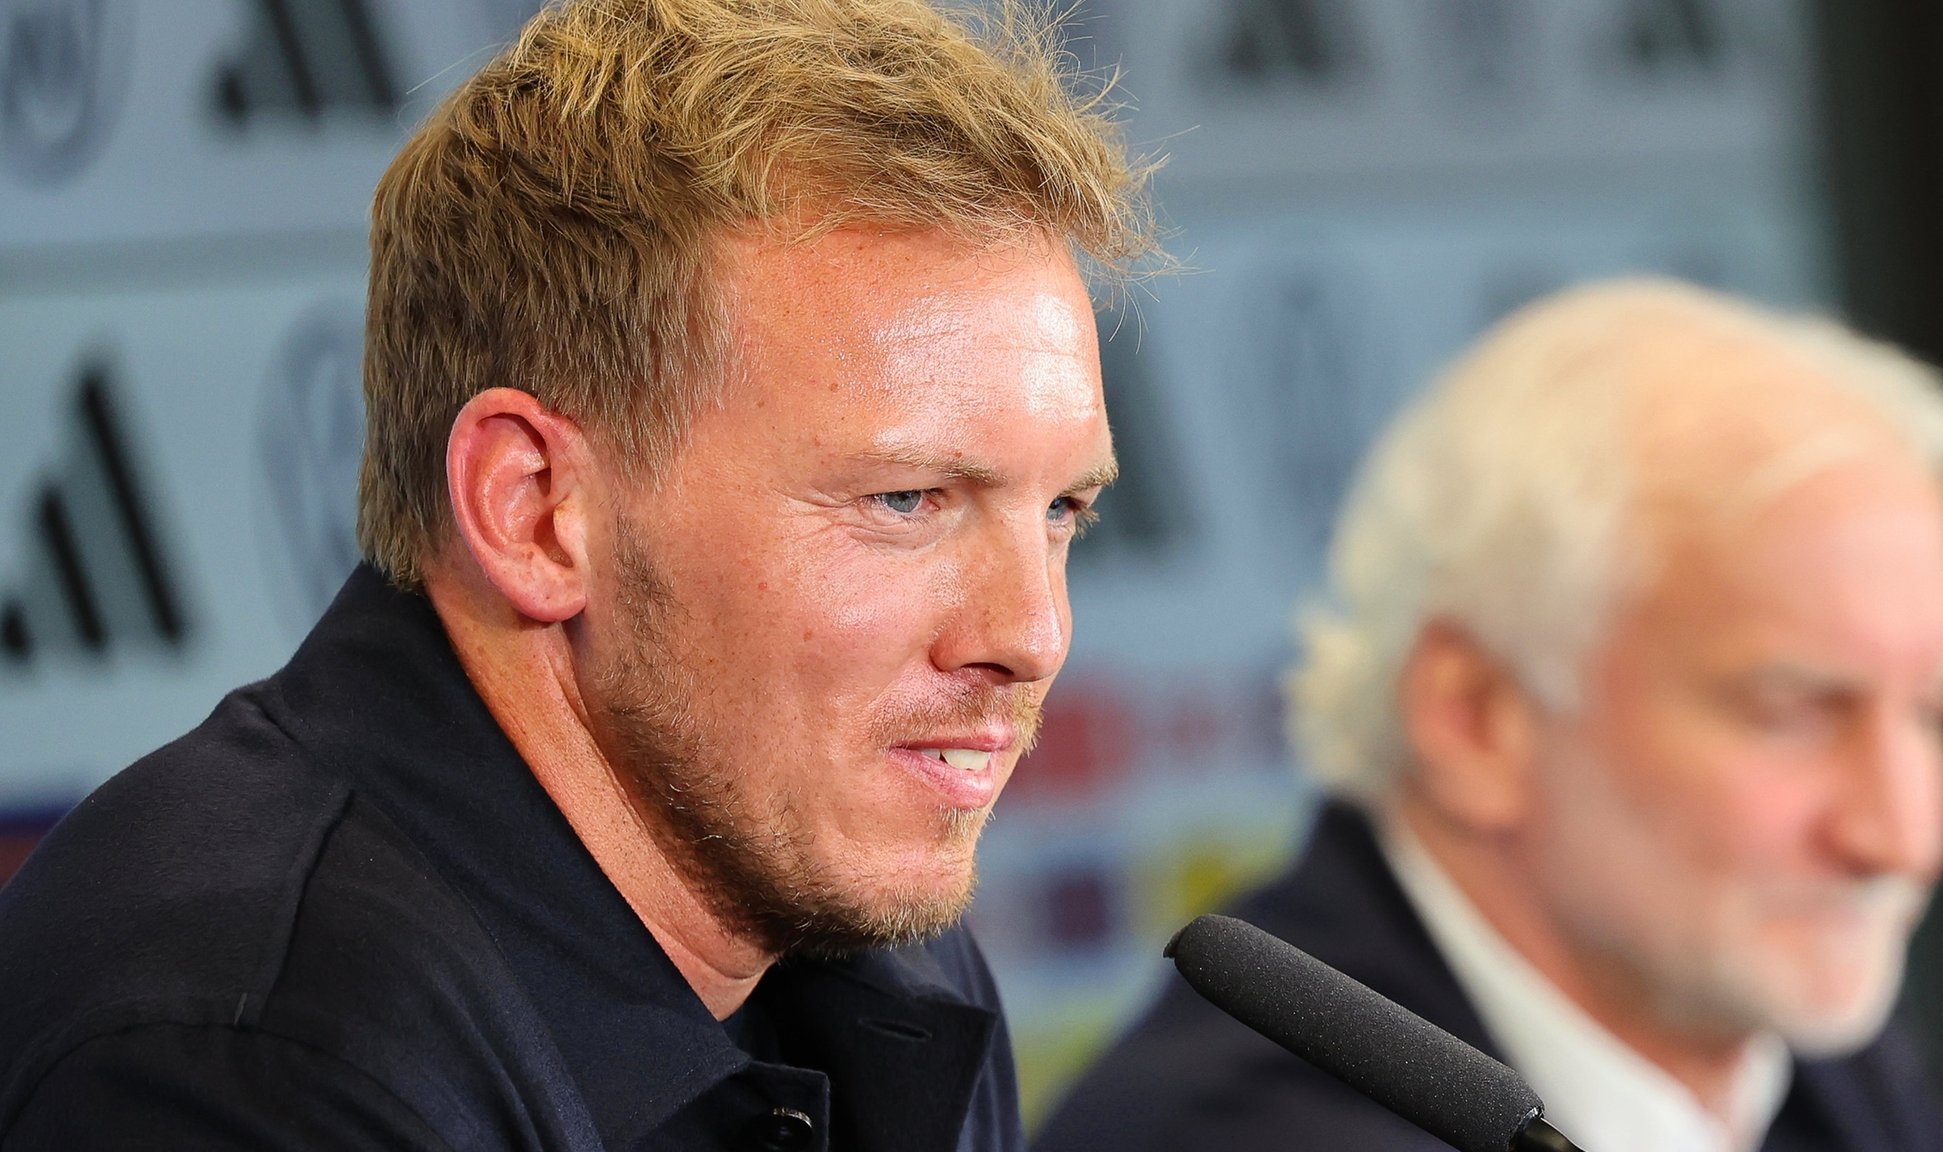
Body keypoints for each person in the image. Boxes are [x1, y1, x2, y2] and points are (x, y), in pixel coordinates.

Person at [0, 1, 1154, 1147]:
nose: (1033, 633)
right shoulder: (252, 1057)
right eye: (905, 500)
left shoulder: (880, 958)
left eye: (1062, 510)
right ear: (537, 513)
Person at [1036, 280, 1943, 1152]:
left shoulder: (1782, 1030)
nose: (1901, 838)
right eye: (1793, 714)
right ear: (1475, 719)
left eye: (1930, 710)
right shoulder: (1244, 1132)